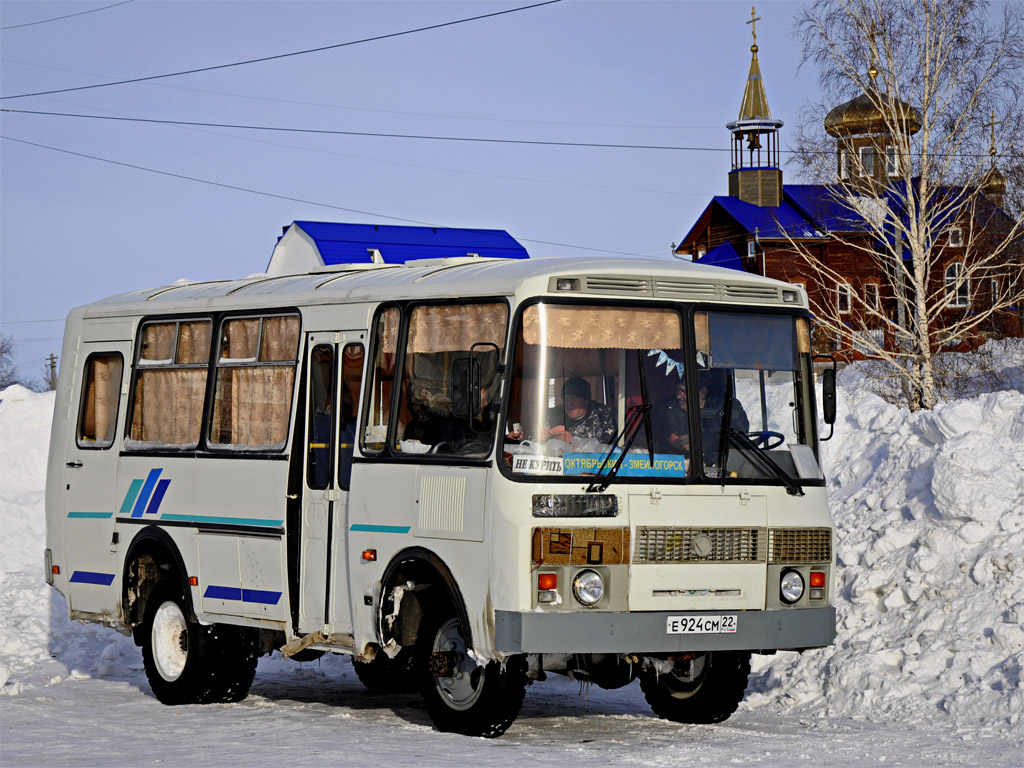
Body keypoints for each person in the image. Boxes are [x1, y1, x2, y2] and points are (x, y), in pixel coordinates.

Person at [540, 377, 616, 446]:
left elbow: (608, 449)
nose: (568, 403)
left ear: (586, 400)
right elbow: (530, 444)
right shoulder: (553, 416)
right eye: (566, 399)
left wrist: (575, 441)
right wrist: (539, 438)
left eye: (573, 398)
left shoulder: (602, 418)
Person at [652, 378, 700, 456]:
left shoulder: (715, 410)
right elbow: (650, 430)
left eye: (684, 391)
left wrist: (696, 441)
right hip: (668, 459)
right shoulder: (664, 407)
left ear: (702, 393)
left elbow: (716, 437)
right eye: (678, 390)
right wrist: (668, 437)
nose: (678, 396)